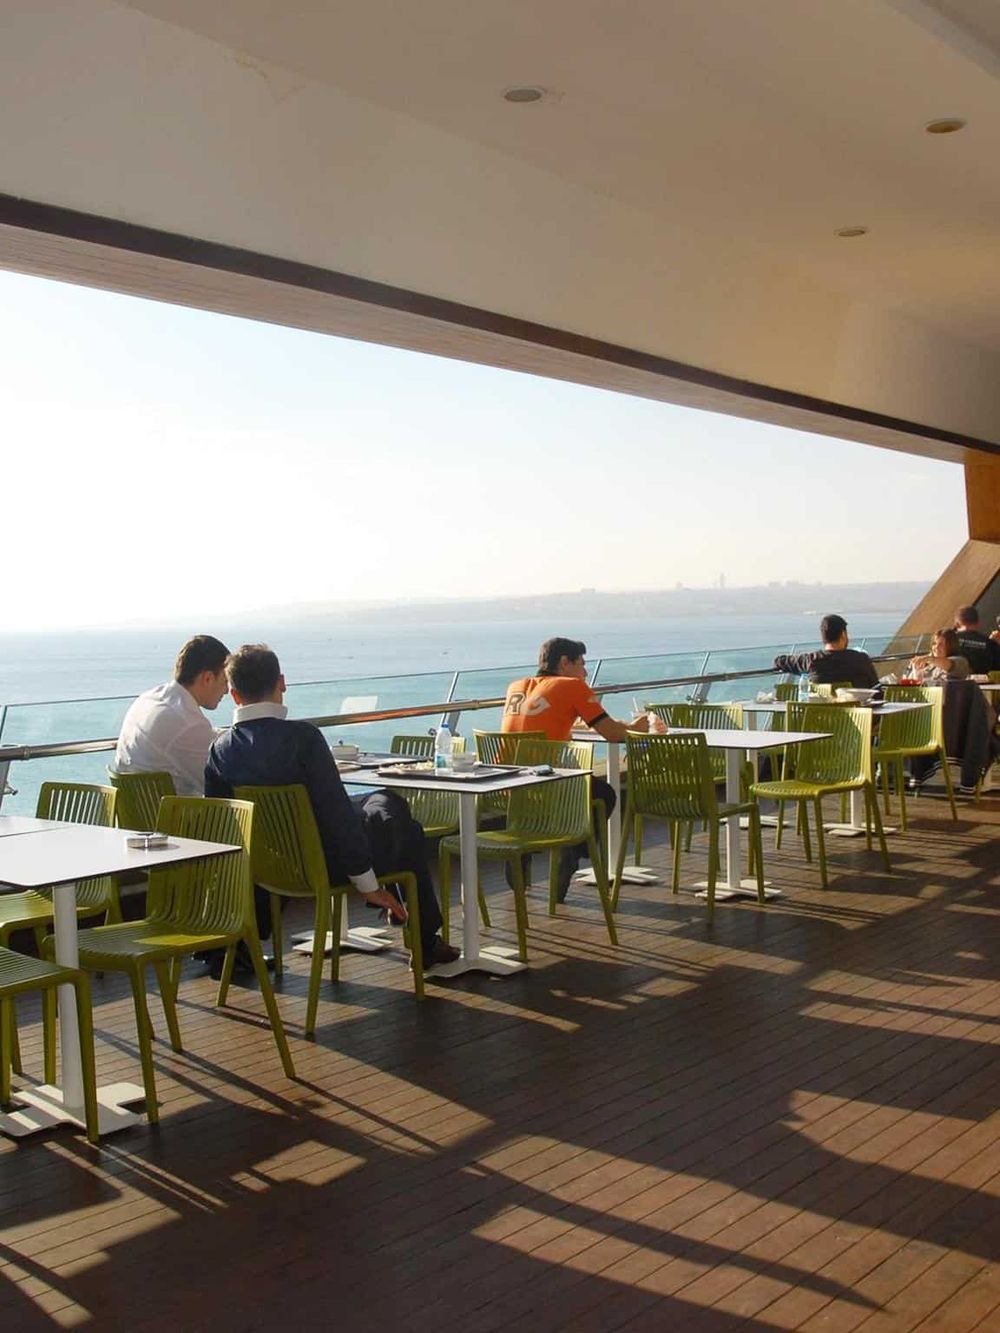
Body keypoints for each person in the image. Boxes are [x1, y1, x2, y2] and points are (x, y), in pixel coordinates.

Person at [204, 644, 459, 969]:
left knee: (383, 805)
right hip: (325, 866)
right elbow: (335, 815)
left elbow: (222, 827)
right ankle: (423, 939)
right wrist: (367, 886)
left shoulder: (220, 751)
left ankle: (412, 924)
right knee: (397, 818)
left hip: (270, 870)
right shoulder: (304, 739)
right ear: (281, 682)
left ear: (234, 695)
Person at [501, 636, 659, 900]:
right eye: (582, 664)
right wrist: (638, 727)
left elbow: (536, 724)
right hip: (550, 786)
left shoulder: (516, 687)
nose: (585, 672)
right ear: (565, 663)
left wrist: (574, 725)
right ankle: (572, 847)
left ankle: (530, 849)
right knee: (605, 794)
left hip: (510, 788)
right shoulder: (572, 686)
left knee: (584, 788)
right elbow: (612, 734)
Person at [115, 635, 230, 797]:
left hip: (138, 815)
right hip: (173, 819)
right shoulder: (185, 722)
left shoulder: (149, 699)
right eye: (225, 681)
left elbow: (201, 736)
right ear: (208, 678)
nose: (226, 690)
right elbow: (220, 783)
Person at [773, 614, 878, 689]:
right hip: (858, 719)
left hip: (819, 719)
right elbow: (876, 690)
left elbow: (780, 661)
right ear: (843, 635)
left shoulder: (811, 660)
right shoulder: (861, 660)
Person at [953, 606, 1000, 675]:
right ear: (978, 623)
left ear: (957, 624)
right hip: (986, 684)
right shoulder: (991, 644)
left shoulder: (946, 642)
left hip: (955, 684)